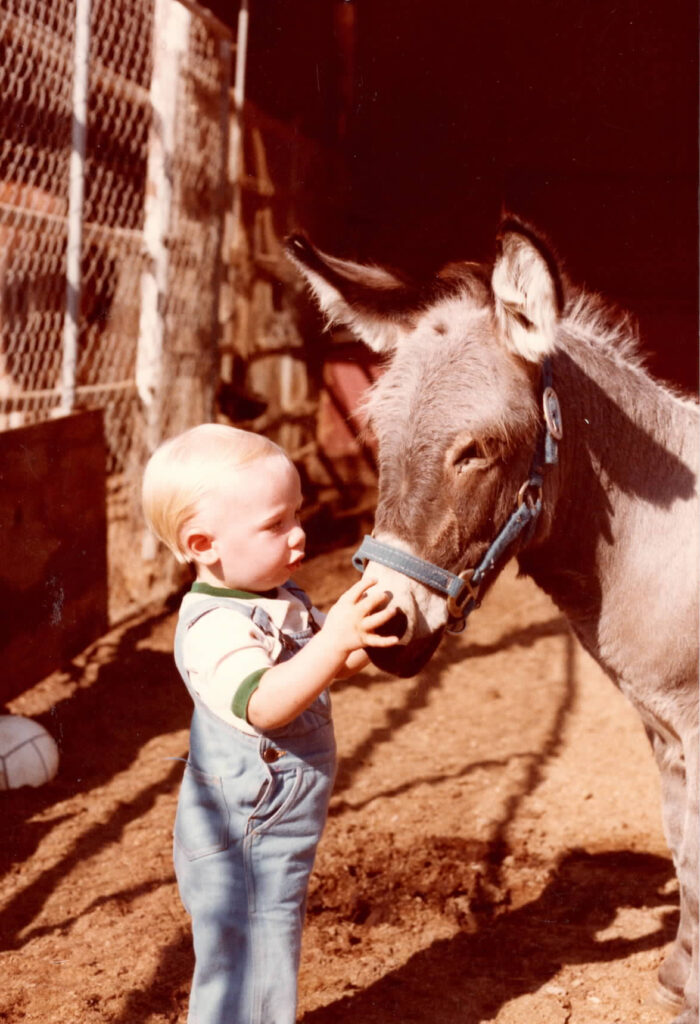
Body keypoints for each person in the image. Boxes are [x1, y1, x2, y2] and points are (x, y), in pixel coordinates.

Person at [141, 423, 398, 1024]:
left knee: (266, 954)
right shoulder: (214, 627)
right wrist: (334, 641)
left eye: (296, 515)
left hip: (277, 822)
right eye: (274, 524)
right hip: (244, 834)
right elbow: (265, 703)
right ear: (204, 544)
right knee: (250, 968)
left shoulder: (280, 596)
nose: (298, 534)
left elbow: (327, 666)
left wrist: (365, 636)